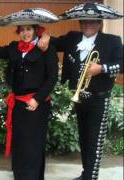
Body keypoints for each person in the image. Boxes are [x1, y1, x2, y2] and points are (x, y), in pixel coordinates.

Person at [39, 2, 123, 180]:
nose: (87, 24)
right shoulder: (72, 38)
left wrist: (102, 68)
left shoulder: (112, 41)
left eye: (92, 22)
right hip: (80, 98)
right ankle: (86, 174)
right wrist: (44, 36)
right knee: (84, 139)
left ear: (100, 23)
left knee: (95, 142)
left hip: (99, 98)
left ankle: (91, 177)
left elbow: (122, 65)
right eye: (84, 21)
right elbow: (52, 41)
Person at [0, 8, 59, 180]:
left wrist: (37, 99)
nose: (25, 33)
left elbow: (52, 78)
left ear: (35, 30)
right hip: (17, 103)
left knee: (33, 144)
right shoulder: (13, 47)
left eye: (29, 29)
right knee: (19, 142)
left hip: (37, 104)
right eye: (22, 29)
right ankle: (20, 176)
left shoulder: (47, 48)